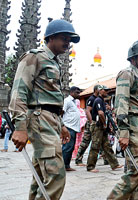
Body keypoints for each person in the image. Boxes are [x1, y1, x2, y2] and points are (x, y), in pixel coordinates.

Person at [9, 19, 80, 199]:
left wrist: (62, 125)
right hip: (39, 120)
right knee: (56, 175)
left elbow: (52, 99)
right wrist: (19, 127)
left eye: (69, 39)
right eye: (64, 38)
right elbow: (19, 91)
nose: (67, 43)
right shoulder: (35, 56)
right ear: (50, 38)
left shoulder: (54, 62)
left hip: (51, 120)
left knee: (41, 175)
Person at [107, 38, 138, 200]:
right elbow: (121, 102)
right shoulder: (127, 74)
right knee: (135, 171)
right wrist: (124, 131)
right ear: (133, 58)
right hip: (132, 124)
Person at [87, 85, 123, 172]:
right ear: (100, 91)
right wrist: (104, 124)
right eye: (105, 90)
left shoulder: (102, 101)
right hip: (97, 126)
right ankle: (90, 166)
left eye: (107, 90)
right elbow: (101, 113)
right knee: (95, 146)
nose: (107, 92)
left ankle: (114, 164)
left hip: (101, 126)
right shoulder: (98, 100)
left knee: (107, 146)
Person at [75, 84, 101, 166]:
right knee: (86, 141)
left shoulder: (99, 99)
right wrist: (91, 122)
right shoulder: (91, 99)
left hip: (98, 123)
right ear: (95, 90)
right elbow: (87, 111)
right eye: (99, 89)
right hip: (91, 123)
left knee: (103, 141)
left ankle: (109, 160)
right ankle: (78, 159)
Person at [62, 86, 81, 171]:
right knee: (67, 147)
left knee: (71, 148)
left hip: (74, 128)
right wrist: (62, 126)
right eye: (77, 92)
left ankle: (67, 165)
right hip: (68, 127)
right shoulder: (67, 101)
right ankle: (62, 166)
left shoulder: (75, 102)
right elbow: (62, 112)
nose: (79, 94)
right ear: (72, 92)